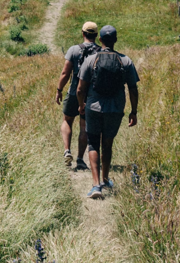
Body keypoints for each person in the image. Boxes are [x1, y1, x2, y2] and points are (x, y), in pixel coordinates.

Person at [76, 25, 139, 199]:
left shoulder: (91, 60)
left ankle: (96, 185)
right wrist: (133, 111)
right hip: (115, 109)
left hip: (94, 108)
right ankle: (105, 178)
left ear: (101, 40)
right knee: (108, 144)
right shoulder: (125, 61)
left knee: (93, 143)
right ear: (116, 40)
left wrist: (81, 105)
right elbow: (133, 89)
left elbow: (80, 89)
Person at [55, 22, 101, 170]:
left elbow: (65, 73)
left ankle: (67, 150)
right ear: (96, 36)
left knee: (67, 120)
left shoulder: (74, 50)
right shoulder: (100, 52)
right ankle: (80, 159)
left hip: (74, 91)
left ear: (83, 34)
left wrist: (59, 89)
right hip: (91, 95)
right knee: (84, 127)